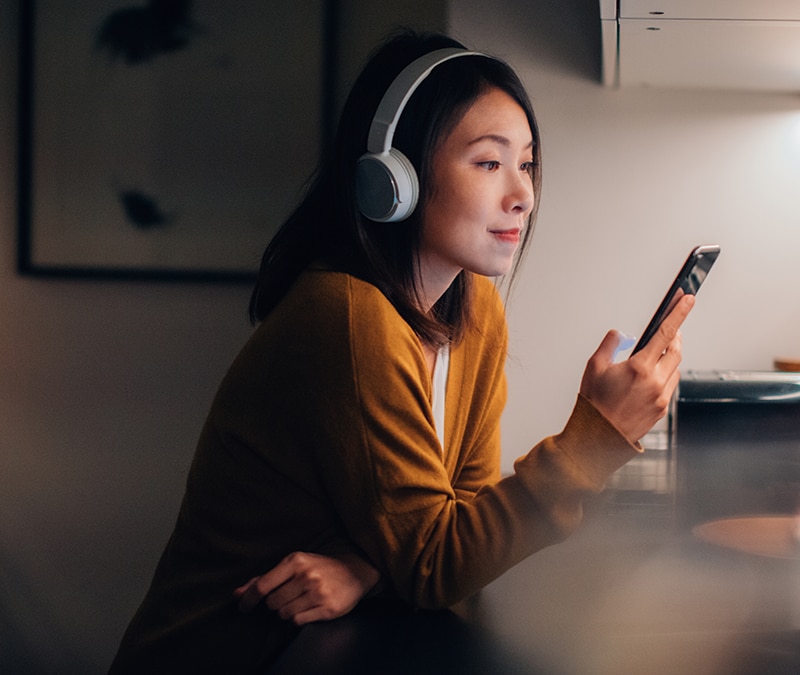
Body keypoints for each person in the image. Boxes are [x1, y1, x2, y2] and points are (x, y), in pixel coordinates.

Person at [109, 29, 693, 673]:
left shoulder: (477, 312)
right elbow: (436, 563)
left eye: (526, 163)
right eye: (489, 162)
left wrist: (368, 568)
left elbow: (456, 529)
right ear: (397, 178)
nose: (523, 192)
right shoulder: (347, 317)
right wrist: (597, 436)